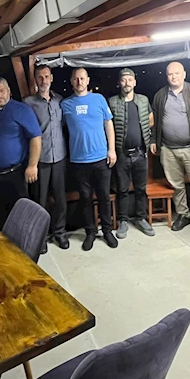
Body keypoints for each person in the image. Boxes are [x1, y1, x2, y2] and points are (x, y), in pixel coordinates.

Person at [151, 61, 190, 238]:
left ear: (184, 74)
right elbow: (156, 120)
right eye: (170, 74)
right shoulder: (160, 95)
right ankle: (183, 215)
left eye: (177, 73)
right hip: (168, 149)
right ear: (167, 76)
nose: (174, 77)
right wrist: (154, 140)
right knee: (176, 185)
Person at [62, 67, 118, 250]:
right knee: (85, 198)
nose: (79, 82)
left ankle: (107, 231)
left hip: (101, 157)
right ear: (71, 82)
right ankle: (90, 232)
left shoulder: (99, 99)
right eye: (76, 79)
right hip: (79, 160)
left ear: (88, 80)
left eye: (82, 78)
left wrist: (112, 150)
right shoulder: (65, 104)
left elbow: (108, 124)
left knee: (104, 196)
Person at [0, 77, 42, 229]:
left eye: (2, 91)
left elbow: (35, 137)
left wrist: (32, 165)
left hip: (14, 174)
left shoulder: (22, 110)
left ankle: (22, 243)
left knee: (20, 216)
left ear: (9, 91)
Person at [24, 66, 69, 251]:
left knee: (60, 199)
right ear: (35, 80)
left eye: (46, 76)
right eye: (40, 77)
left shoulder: (60, 100)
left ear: (51, 78)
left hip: (59, 157)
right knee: (40, 201)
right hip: (40, 159)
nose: (43, 80)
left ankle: (60, 233)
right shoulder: (28, 103)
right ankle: (41, 238)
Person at [108, 68, 155, 239]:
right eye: (123, 80)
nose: (127, 83)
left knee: (141, 188)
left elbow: (151, 120)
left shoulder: (143, 100)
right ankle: (123, 220)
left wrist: (148, 139)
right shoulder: (112, 102)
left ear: (135, 82)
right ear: (119, 83)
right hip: (121, 154)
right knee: (122, 189)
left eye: (130, 79)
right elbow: (108, 125)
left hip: (141, 153)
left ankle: (141, 218)